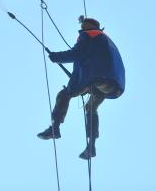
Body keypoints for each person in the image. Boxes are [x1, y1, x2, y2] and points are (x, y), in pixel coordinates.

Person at [37, 16, 125, 160]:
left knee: (64, 95)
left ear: (90, 26)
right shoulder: (105, 39)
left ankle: (55, 128)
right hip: (113, 85)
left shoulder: (89, 35)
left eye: (84, 25)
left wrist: (55, 57)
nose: (82, 28)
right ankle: (91, 146)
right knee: (90, 107)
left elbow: (76, 54)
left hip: (98, 77)